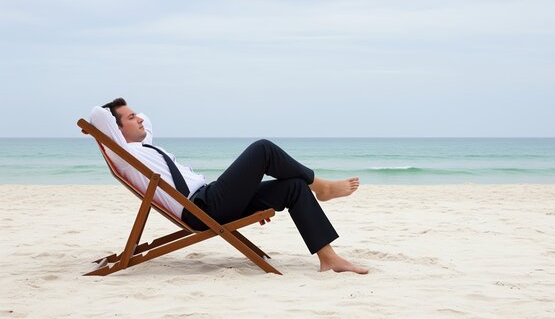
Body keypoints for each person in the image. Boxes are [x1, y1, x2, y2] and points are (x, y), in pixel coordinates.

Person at [89, 98, 368, 274]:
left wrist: (128, 115)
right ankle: (320, 186)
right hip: (203, 207)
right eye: (130, 117)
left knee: (293, 186)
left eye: (136, 114)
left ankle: (328, 258)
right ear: (114, 131)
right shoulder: (126, 155)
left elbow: (145, 123)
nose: (139, 118)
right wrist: (96, 128)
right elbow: (98, 117)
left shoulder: (143, 147)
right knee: (263, 149)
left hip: (212, 202)